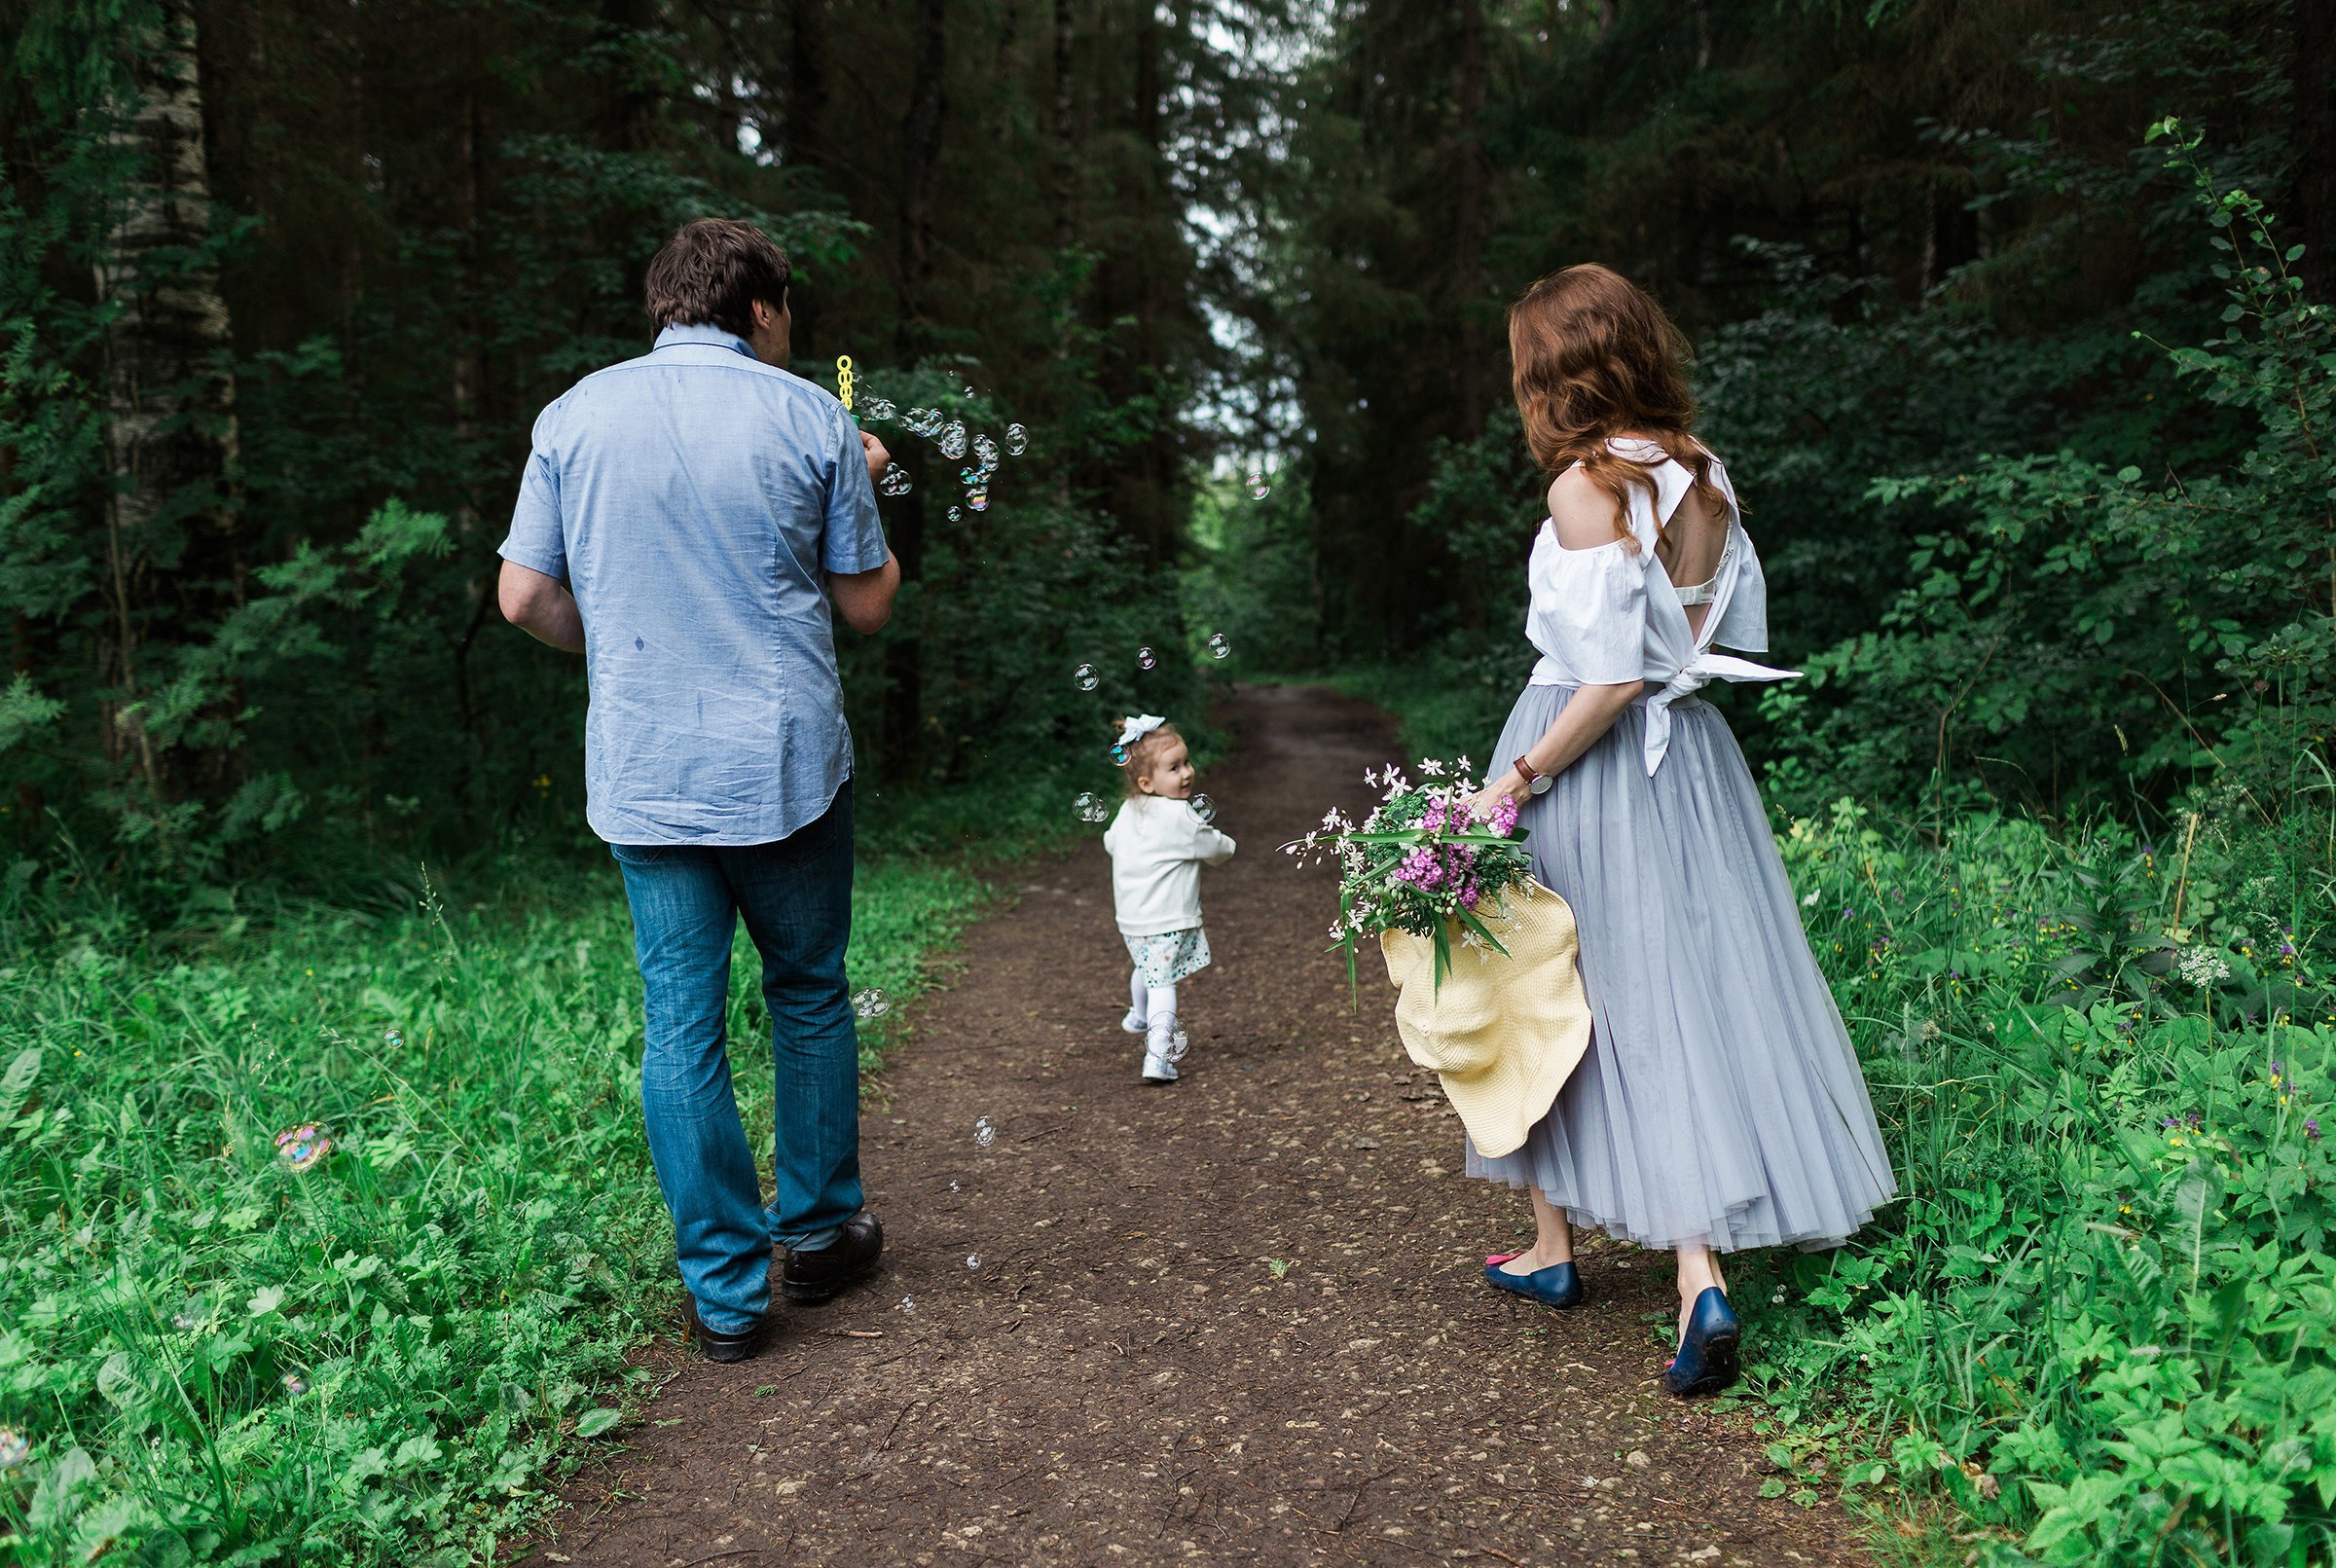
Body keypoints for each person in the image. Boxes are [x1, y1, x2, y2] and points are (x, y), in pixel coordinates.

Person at [1463, 264, 1897, 1397]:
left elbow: (1608, 679)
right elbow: (1697, 643)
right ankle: (1671, 1267)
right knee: (1677, 992)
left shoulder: (1581, 486)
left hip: (1590, 762)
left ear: (1558, 371)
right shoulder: (1703, 472)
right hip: (1693, 764)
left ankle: (1590, 1255)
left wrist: (1514, 784)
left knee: (1550, 991)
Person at [496, 217, 901, 1364]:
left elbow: (525, 599)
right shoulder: (813, 419)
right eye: (788, 317)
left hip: (646, 774)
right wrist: (864, 483)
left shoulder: (573, 415)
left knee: (681, 1023)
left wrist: (625, 643)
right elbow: (866, 605)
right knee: (809, 991)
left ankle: (727, 1299)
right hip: (785, 770)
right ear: (762, 308)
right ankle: (820, 1238)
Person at [1101, 716, 1236, 1084]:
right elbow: (1218, 849)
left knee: (1146, 967)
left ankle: (1139, 1016)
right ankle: (1158, 1058)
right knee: (1162, 982)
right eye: (1174, 768)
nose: (1186, 773)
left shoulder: (1129, 809)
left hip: (1130, 917)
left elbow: (1110, 843)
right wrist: (1229, 845)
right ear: (1147, 782)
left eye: (1186, 762)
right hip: (1167, 919)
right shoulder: (1183, 816)